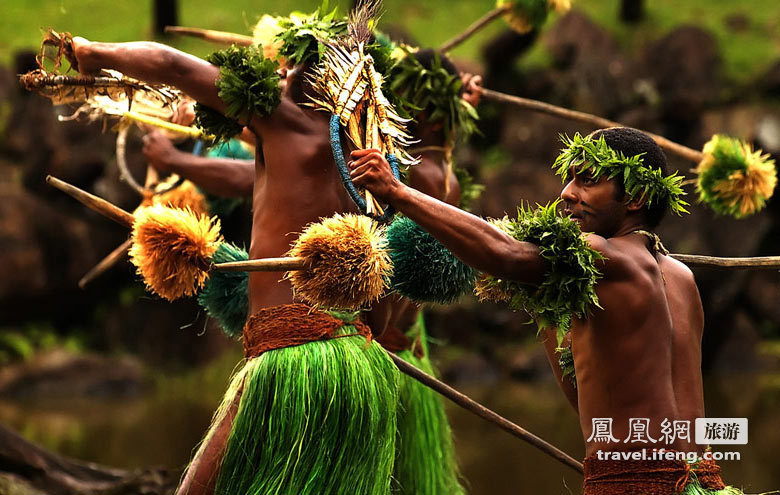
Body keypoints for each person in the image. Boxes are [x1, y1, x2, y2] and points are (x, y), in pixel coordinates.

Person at [70, 11, 401, 495]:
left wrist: (93, 52)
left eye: (286, 70)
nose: (278, 75)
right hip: (353, 359)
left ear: (307, 81)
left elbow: (174, 66)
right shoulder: (369, 157)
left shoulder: (284, 121)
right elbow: (382, 282)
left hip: (288, 362)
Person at [350, 126, 741, 494]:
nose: (567, 193)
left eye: (588, 180)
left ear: (635, 199)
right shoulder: (681, 276)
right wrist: (545, 308)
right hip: (702, 481)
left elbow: (506, 254)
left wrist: (397, 192)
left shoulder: (607, 257)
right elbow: (592, 394)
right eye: (570, 178)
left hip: (636, 483)